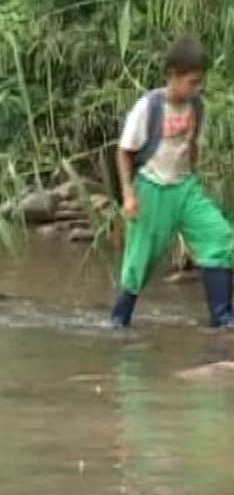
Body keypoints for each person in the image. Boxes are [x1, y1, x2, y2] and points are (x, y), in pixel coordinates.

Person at [112, 37, 233, 328]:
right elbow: (124, 152)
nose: (197, 88)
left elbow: (191, 145)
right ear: (174, 75)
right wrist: (129, 195)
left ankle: (222, 317)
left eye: (199, 82)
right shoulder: (148, 107)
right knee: (139, 261)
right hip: (151, 188)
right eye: (192, 82)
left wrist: (195, 177)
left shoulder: (196, 107)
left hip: (184, 187)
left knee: (220, 237)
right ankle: (119, 321)